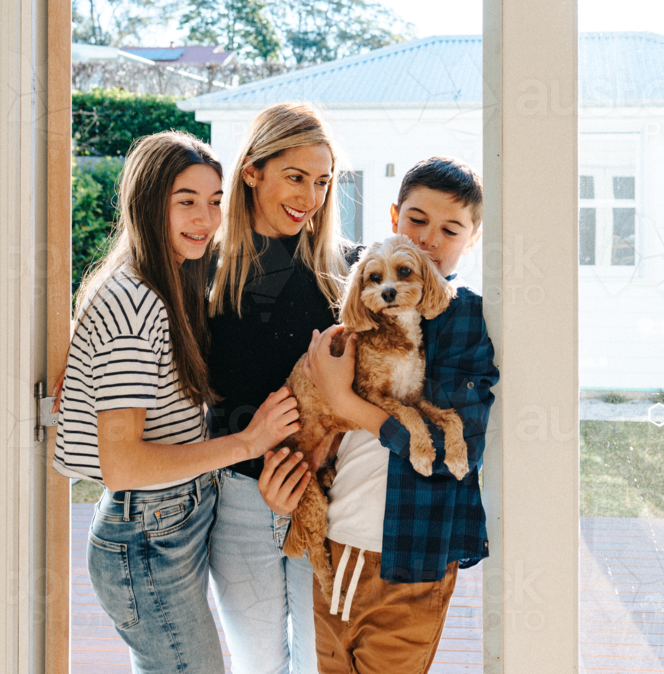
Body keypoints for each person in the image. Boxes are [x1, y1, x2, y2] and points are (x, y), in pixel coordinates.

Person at [53, 131, 301, 674]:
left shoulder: (170, 279)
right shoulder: (135, 305)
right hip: (145, 541)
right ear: (148, 204)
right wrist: (248, 441)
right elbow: (123, 465)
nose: (206, 220)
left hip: (169, 524)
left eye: (214, 202)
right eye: (185, 201)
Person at [261, 155, 499, 674]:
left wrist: (350, 404)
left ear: (473, 237)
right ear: (395, 218)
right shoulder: (362, 297)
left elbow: (450, 455)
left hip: (418, 557)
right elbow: (312, 412)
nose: (430, 240)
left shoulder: (468, 325)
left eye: (451, 229)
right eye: (417, 221)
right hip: (340, 537)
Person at [206, 102, 353, 674]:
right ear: (252, 172)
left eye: (322, 181)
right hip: (243, 499)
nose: (310, 197)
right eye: (296, 177)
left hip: (325, 495)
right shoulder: (208, 273)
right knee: (258, 664)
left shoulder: (345, 271)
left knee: (319, 661)